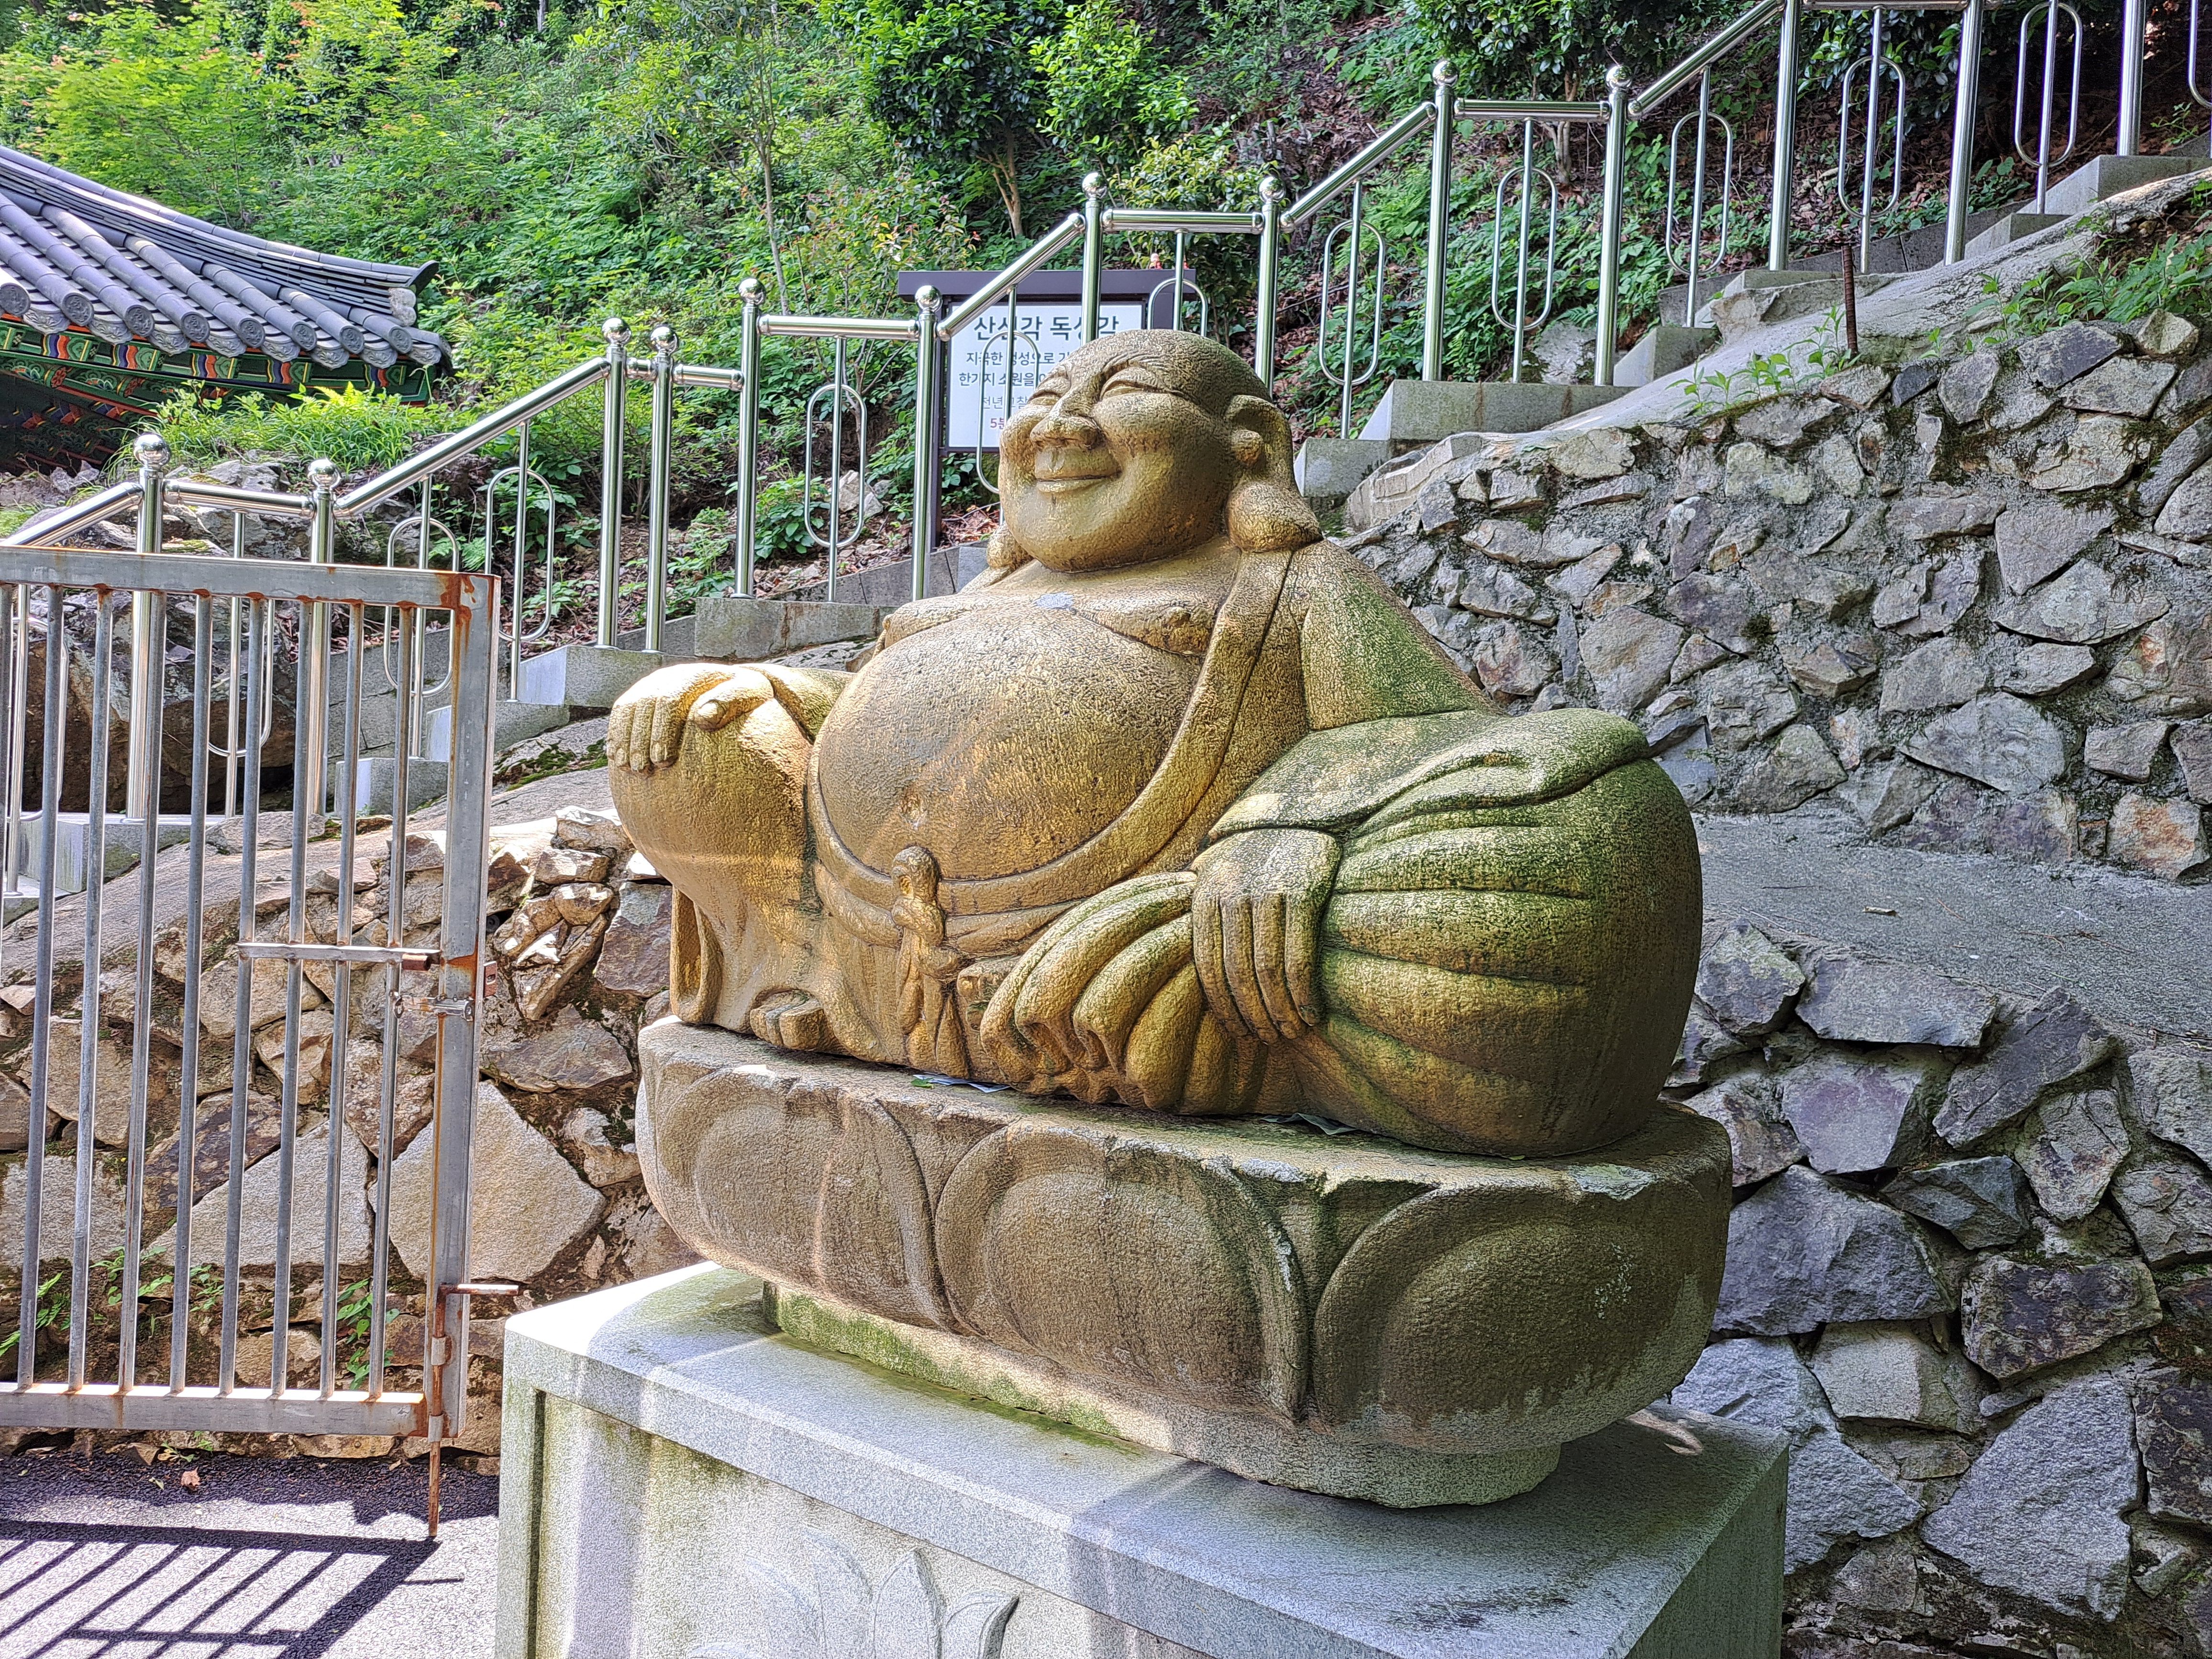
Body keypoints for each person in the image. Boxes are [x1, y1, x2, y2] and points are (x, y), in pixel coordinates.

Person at [606, 330, 1698, 1158]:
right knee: (680, 735)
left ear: (1249, 444)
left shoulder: (1286, 582)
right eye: (1044, 402)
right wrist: (757, 689)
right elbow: (867, 707)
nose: (1062, 427)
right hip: (870, 937)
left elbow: (1429, 737)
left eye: (1121, 396)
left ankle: (1202, 1029)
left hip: (1159, 954)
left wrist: (1285, 825)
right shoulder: (975, 594)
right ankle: (812, 977)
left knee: (1589, 830)